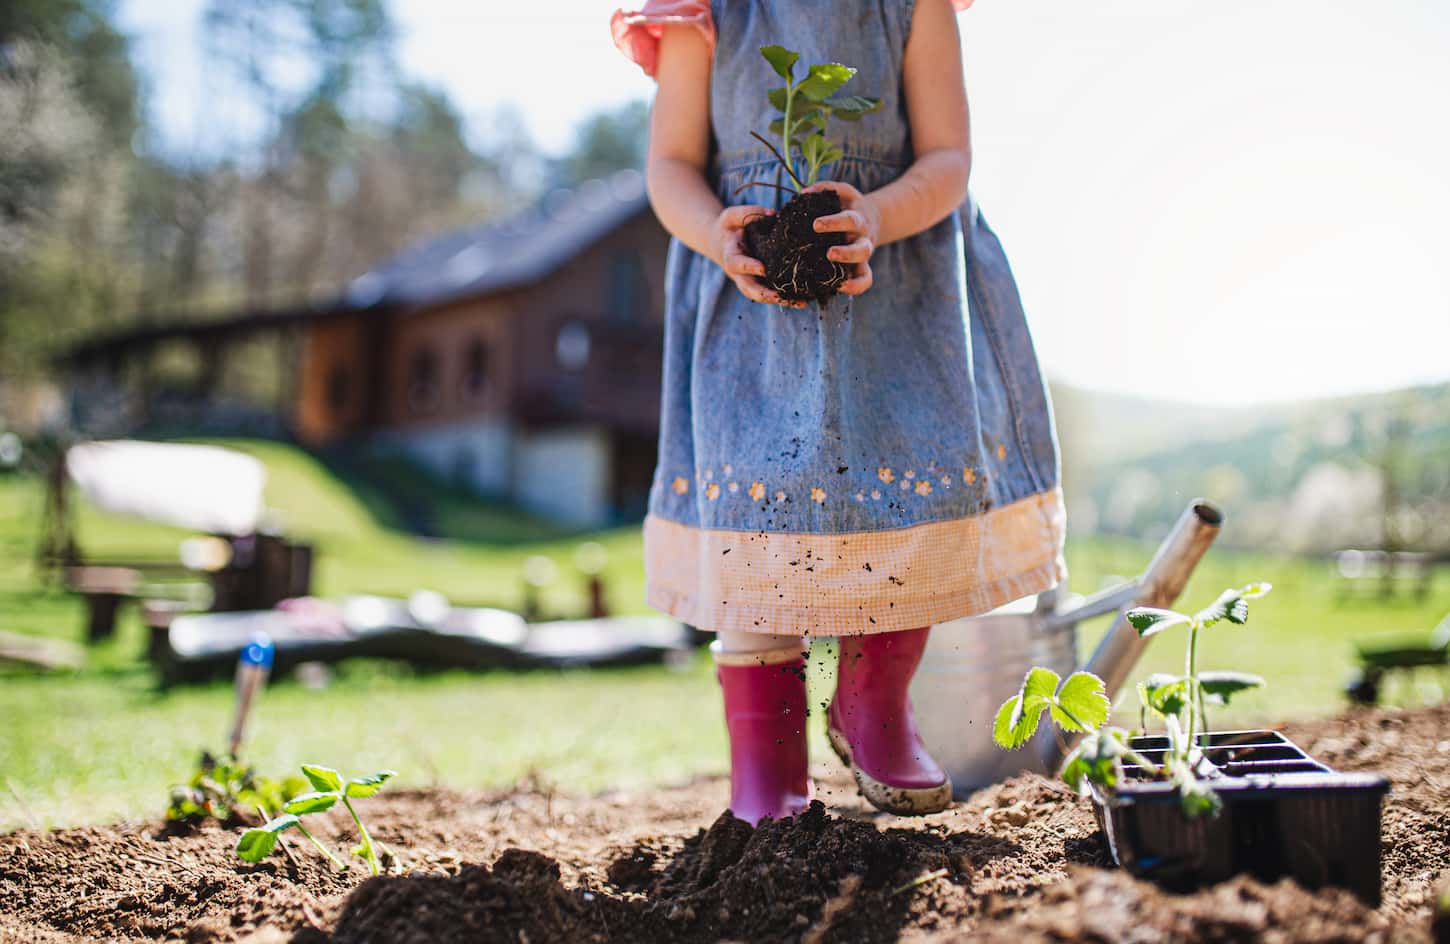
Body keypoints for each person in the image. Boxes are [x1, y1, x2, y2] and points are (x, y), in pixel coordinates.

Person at [611, 0, 1066, 822]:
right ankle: (768, 774)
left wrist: (878, 215)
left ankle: (873, 704)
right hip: (750, 314)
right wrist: (718, 233)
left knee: (903, 506)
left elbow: (947, 157)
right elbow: (670, 166)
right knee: (756, 539)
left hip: (898, 299)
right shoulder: (701, 11)